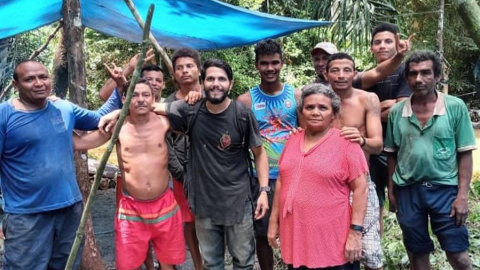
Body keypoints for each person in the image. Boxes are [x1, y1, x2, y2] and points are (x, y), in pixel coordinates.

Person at [144, 59, 269, 269]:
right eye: (210, 78)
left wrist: (264, 190)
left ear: (230, 82)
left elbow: (259, 153)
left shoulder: (242, 114)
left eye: (221, 79)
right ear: (202, 83)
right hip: (204, 204)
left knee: (244, 261)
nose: (216, 83)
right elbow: (153, 106)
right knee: (212, 263)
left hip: (238, 203)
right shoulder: (191, 110)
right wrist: (117, 112)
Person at [0, 60, 121, 269]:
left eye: (43, 77)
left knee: (67, 265)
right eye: (29, 79)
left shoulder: (63, 108)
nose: (38, 83)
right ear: (16, 84)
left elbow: (99, 118)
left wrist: (120, 89)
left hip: (69, 209)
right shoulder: (4, 116)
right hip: (26, 215)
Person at [74, 79, 186, 270]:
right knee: (128, 265)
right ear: (125, 99)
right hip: (131, 209)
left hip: (165, 204)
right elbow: (80, 143)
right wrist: (52, 114)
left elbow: (194, 116)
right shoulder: (117, 127)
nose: (140, 99)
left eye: (145, 95)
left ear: (154, 99)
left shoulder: (164, 122)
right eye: (134, 95)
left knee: (169, 263)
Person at [385, 51, 476, 270]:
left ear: (437, 76)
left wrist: (462, 196)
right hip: (408, 190)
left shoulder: (454, 107)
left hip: (445, 191)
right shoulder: (397, 112)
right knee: (418, 255)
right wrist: (392, 190)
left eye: (426, 73)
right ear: (407, 78)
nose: (418, 79)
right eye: (413, 74)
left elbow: (465, 153)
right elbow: (392, 154)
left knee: (459, 256)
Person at [268, 84, 368, 270]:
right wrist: (274, 221)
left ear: (334, 114)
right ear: (301, 112)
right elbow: (282, 181)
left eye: (323, 108)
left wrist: (355, 232)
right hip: (297, 235)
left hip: (332, 239)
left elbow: (361, 188)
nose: (315, 112)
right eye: (309, 107)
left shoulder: (347, 143)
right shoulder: (292, 140)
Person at [237, 39, 301, 270]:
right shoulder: (245, 101)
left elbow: (307, 135)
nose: (270, 68)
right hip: (260, 178)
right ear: (256, 65)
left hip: (294, 175)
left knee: (295, 230)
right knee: (263, 232)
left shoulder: (296, 96)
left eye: (275, 62)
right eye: (264, 63)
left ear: (282, 63)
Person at [352, 23, 414, 234]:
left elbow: (402, 108)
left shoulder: (408, 71)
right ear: (371, 48)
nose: (382, 46)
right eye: (377, 42)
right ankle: (375, 250)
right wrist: (384, 106)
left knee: (402, 200)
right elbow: (362, 109)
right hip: (373, 147)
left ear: (397, 43)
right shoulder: (367, 77)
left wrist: (373, 111)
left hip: (401, 146)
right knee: (373, 200)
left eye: (388, 41)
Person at [324, 53, 383, 270]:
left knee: (369, 251)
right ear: (325, 73)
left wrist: (361, 139)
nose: (341, 75)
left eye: (347, 70)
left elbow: (377, 145)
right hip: (327, 185)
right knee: (335, 248)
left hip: (359, 182)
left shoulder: (367, 99)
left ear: (355, 73)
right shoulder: (318, 102)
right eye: (335, 70)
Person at [164, 47, 204, 270]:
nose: (185, 71)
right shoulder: (167, 102)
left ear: (199, 69)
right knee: (188, 221)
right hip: (182, 173)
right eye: (179, 68)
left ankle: (212, 262)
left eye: (189, 66)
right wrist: (179, 171)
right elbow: (165, 141)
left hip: (210, 172)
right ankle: (198, 264)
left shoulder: (211, 94)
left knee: (210, 219)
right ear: (174, 75)